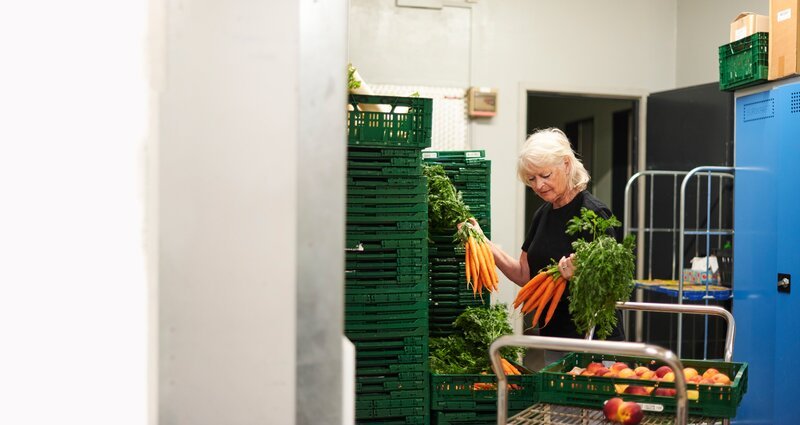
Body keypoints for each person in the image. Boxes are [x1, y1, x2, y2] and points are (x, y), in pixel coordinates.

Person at [468, 127, 625, 364]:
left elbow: (613, 283)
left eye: (545, 176)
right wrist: (482, 241)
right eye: (532, 179)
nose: (539, 186)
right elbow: (524, 275)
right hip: (553, 340)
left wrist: (581, 275)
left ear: (566, 164)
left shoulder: (594, 214)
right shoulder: (543, 214)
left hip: (593, 343)